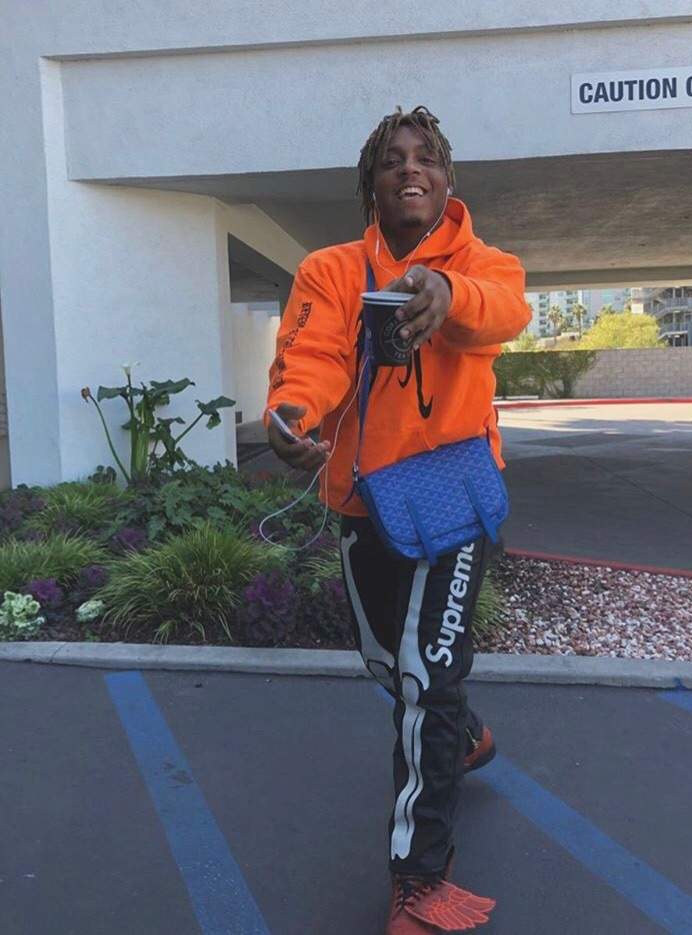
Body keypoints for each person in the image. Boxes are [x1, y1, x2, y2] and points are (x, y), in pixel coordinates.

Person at [266, 106, 530, 934]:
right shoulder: (330, 270)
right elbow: (311, 358)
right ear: (371, 187)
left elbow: (505, 310)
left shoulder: (485, 265)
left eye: (425, 158)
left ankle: (420, 879)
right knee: (389, 663)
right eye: (391, 160)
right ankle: (465, 733)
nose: (409, 168)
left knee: (425, 679)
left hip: (453, 501)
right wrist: (293, 414)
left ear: (446, 181)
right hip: (363, 498)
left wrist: (447, 293)